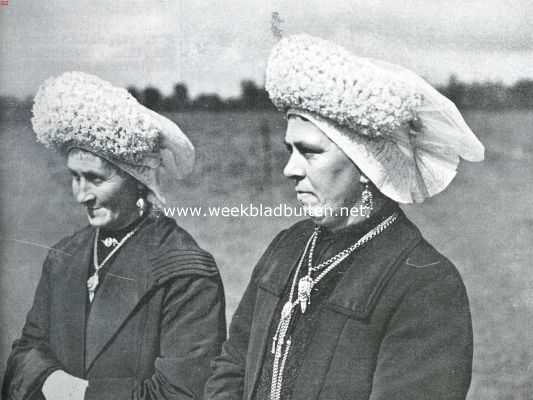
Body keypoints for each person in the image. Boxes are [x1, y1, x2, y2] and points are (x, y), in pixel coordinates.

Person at [204, 34, 484, 400]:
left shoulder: (425, 283)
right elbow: (231, 367)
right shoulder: (287, 248)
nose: (290, 169)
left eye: (310, 152)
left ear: (366, 163)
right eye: (289, 149)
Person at [2, 72, 226, 400]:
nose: (81, 195)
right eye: (75, 177)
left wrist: (76, 393)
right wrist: (55, 384)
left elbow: (182, 394)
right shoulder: (65, 254)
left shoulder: (186, 273)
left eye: (95, 178)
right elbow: (25, 353)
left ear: (139, 180)